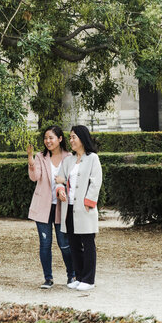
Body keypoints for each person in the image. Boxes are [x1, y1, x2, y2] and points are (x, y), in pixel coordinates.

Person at [55, 125, 103, 292]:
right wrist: (60, 190)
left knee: (88, 243)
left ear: (82, 138)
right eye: (70, 137)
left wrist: (88, 203)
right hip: (68, 208)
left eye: (74, 137)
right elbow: (59, 180)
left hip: (84, 208)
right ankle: (79, 276)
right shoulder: (67, 160)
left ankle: (89, 279)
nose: (71, 140)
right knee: (74, 243)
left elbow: (96, 182)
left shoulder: (92, 158)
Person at [27, 126, 75, 290]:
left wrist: (65, 190)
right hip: (43, 207)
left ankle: (72, 275)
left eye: (51, 138)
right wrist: (30, 159)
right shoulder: (41, 156)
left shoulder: (69, 157)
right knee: (45, 244)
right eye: (45, 138)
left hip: (62, 206)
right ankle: (48, 278)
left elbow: (73, 180)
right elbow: (35, 177)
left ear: (60, 139)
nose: (47, 141)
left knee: (64, 244)